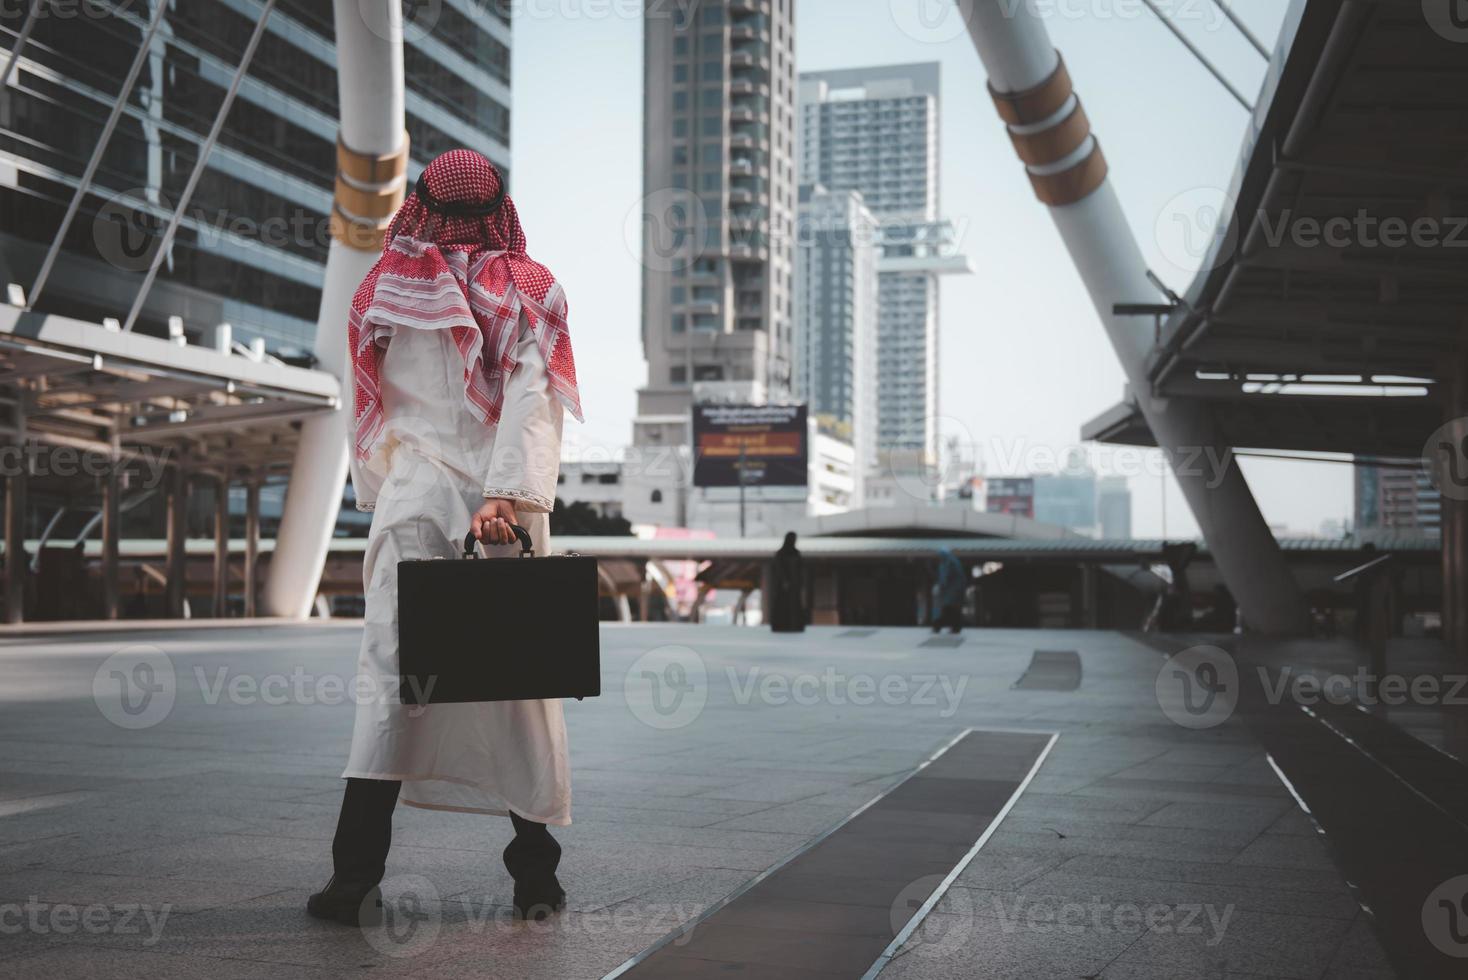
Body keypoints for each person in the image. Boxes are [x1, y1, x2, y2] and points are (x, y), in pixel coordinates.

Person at [308, 149, 583, 927]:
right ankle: (536, 878)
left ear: (419, 203)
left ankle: (352, 880)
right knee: (518, 678)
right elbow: (534, 402)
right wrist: (504, 494)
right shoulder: (531, 289)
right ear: (501, 207)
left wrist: (383, 491)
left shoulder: (382, 287)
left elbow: (365, 402)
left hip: (415, 503)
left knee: (395, 677)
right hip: (502, 509)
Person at [768, 532, 806, 632]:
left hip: (794, 586)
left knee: (794, 606)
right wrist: (784, 581)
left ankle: (794, 626)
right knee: (782, 607)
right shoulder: (780, 554)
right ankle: (782, 626)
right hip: (782, 588)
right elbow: (778, 569)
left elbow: (800, 568)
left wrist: (799, 582)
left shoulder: (796, 553)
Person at [932, 548, 965, 634]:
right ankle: (955, 628)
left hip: (951, 591)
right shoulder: (950, 561)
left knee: (948, 609)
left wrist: (940, 587)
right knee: (951, 609)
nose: (939, 558)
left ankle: (938, 626)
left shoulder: (949, 563)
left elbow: (945, 577)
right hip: (953, 591)